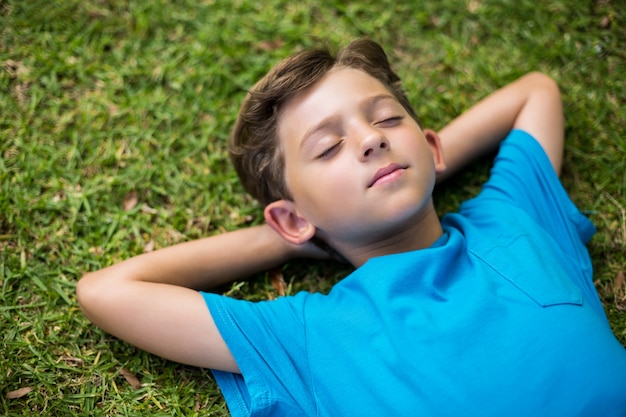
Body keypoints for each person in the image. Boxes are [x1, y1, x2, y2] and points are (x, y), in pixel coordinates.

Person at [76, 39, 626, 416]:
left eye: (386, 118)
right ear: (292, 215)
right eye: (329, 146)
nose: (370, 139)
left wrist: (428, 165)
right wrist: (296, 236)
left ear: (429, 141)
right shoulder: (308, 336)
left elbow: (535, 91)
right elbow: (107, 292)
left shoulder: (515, 216)